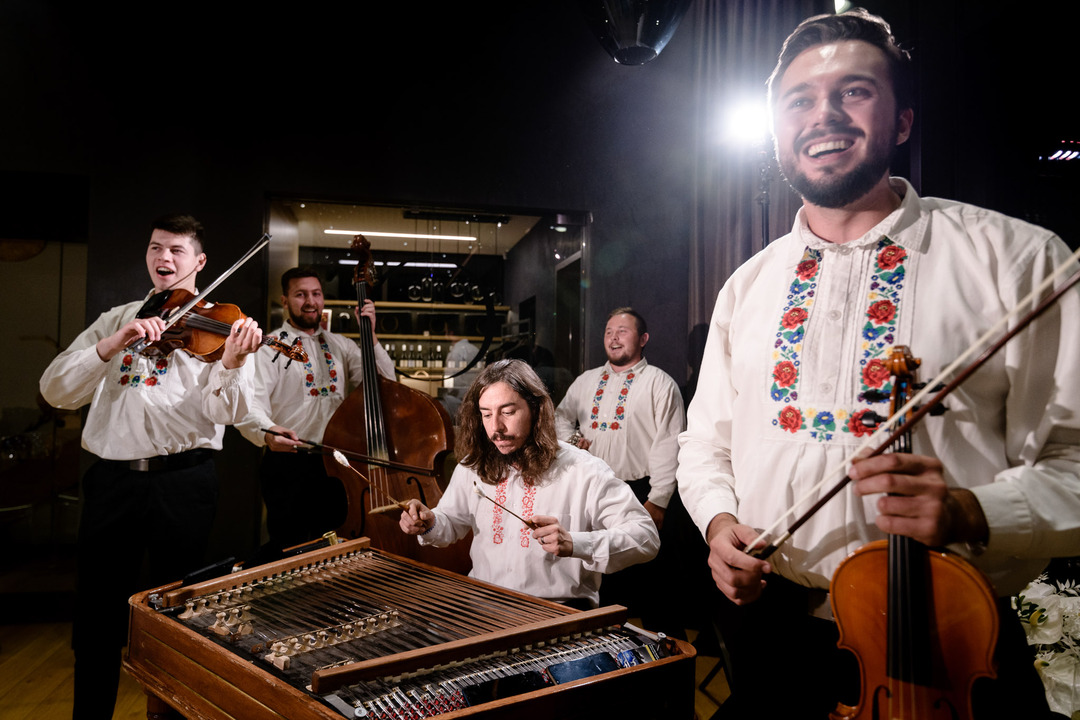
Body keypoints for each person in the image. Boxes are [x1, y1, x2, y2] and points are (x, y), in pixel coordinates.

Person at [676, 9, 1079, 719]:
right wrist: (717, 523)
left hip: (949, 644)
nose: (822, 113)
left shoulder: (1019, 260)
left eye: (854, 91)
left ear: (901, 121)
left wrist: (973, 510)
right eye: (799, 100)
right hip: (778, 639)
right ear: (777, 133)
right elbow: (706, 443)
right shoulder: (748, 285)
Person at [39, 214, 263, 720]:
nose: (164, 258)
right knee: (96, 617)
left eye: (177, 250)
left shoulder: (221, 327)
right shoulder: (116, 318)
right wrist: (112, 342)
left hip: (184, 484)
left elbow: (227, 414)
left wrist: (230, 363)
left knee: (179, 619)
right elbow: (56, 390)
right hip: (112, 482)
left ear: (199, 262)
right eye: (156, 247)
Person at [399, 359, 660, 608]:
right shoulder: (474, 465)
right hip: (482, 608)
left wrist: (576, 543)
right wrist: (430, 521)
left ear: (536, 409)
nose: (495, 428)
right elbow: (451, 521)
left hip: (557, 613)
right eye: (486, 415)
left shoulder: (583, 469)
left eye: (508, 412)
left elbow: (645, 537)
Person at [236, 266, 396, 558]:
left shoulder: (341, 345)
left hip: (336, 464)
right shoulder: (267, 347)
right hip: (289, 462)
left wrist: (370, 336)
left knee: (334, 546)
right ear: (285, 300)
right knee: (289, 547)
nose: (310, 301)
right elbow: (249, 404)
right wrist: (267, 434)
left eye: (316, 293)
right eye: (300, 294)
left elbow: (384, 383)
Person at [554, 307, 685, 622]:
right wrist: (572, 441)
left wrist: (658, 500)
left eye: (622, 331)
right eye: (609, 331)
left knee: (648, 584)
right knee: (599, 574)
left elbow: (669, 444)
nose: (613, 338)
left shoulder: (660, 384)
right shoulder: (586, 381)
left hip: (640, 490)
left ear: (643, 339)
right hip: (590, 488)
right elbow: (559, 417)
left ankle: (658, 658)